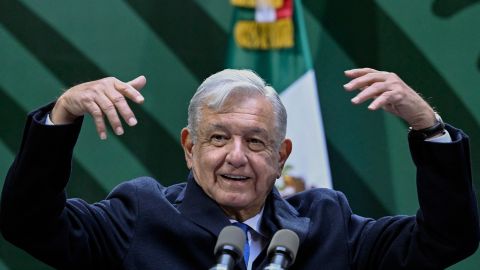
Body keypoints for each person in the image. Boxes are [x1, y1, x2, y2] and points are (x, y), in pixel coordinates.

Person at [0, 68, 478, 270]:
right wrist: (62, 115)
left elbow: (446, 239)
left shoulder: (328, 226)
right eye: (218, 138)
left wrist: (427, 126)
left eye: (255, 142)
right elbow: (28, 222)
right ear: (189, 148)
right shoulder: (137, 216)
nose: (236, 156)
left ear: (281, 156)